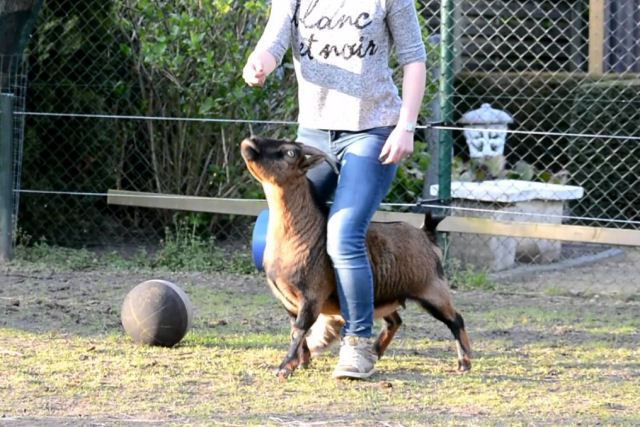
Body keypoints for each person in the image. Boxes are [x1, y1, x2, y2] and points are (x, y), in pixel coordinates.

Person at [243, 0, 427, 379]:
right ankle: (323, 312)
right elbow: (275, 41)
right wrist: (259, 61)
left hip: (373, 131)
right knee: (282, 231)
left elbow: (414, 60)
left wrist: (405, 126)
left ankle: (358, 342)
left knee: (343, 234)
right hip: (313, 136)